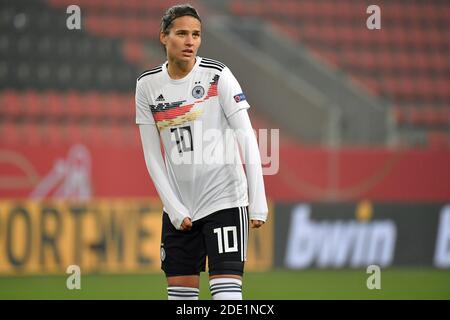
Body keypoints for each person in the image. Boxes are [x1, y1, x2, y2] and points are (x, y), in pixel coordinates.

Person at [135, 4, 268, 300]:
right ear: (163, 37)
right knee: (181, 302)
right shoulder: (146, 86)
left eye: (196, 34)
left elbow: (246, 137)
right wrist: (172, 207)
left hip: (225, 200)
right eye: (181, 33)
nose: (190, 41)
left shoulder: (217, 76)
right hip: (180, 209)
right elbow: (152, 155)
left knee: (226, 298)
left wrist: (257, 201)